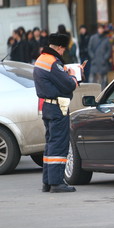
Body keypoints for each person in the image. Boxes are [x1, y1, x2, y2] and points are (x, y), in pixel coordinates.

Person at [33, 33, 79, 193]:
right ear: (59, 47)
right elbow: (68, 85)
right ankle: (57, 183)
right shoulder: (53, 62)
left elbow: (54, 78)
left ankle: (47, 181)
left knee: (51, 143)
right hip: (58, 107)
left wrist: (63, 70)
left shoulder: (41, 59)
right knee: (59, 144)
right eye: (63, 49)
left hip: (46, 106)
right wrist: (73, 76)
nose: (63, 52)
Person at [88, 23, 111, 89]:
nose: (100, 30)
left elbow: (108, 50)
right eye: (99, 28)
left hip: (103, 62)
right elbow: (89, 48)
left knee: (104, 79)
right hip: (95, 61)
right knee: (93, 79)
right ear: (97, 29)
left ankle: (103, 92)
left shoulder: (106, 39)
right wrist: (92, 57)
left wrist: (105, 58)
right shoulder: (93, 38)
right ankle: (93, 91)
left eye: (102, 28)